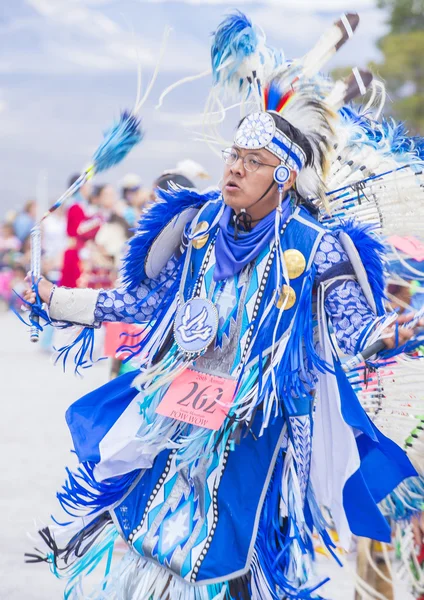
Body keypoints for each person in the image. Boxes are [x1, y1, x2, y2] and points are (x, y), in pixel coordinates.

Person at [21, 11, 424, 600]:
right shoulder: (200, 225)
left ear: (285, 176)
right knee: (143, 532)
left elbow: (356, 331)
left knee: (222, 553)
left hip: (253, 428)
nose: (233, 167)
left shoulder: (320, 249)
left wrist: (397, 331)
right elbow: (146, 301)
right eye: (233, 155)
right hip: (176, 413)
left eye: (253, 161)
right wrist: (61, 300)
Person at [59, 174, 102, 288]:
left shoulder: (80, 205)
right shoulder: (75, 206)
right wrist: (97, 222)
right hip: (75, 252)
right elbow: (78, 230)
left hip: (78, 251)